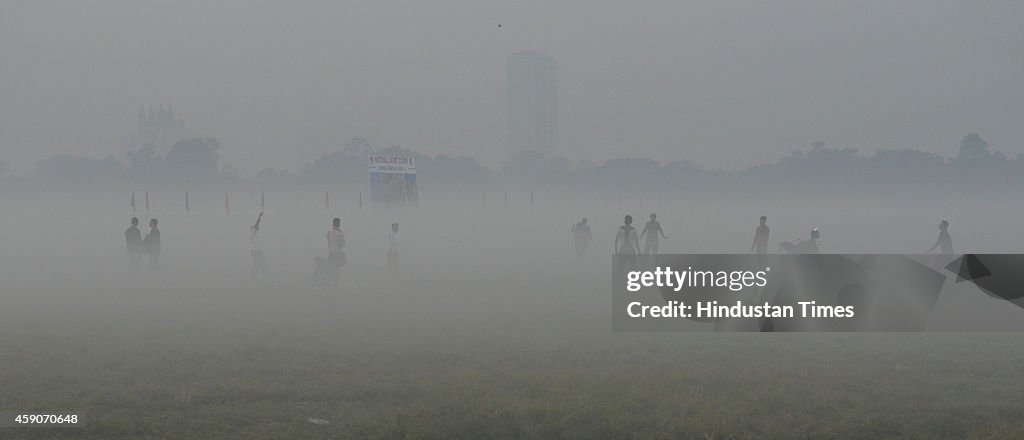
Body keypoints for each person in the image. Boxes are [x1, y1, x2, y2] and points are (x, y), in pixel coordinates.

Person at [327, 218, 346, 288]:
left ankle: (331, 283)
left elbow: (328, 242)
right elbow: (343, 244)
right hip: (338, 253)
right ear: (339, 224)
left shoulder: (329, 233)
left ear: (333, 224)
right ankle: (336, 284)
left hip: (331, 253)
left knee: (331, 269)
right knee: (337, 270)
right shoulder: (341, 233)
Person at [250, 212, 269, 278]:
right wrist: (259, 216)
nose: (257, 228)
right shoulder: (253, 232)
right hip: (256, 251)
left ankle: (255, 274)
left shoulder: (254, 233)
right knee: (260, 263)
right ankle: (261, 274)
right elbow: (257, 224)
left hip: (256, 251)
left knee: (258, 263)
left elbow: (257, 225)